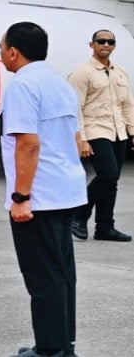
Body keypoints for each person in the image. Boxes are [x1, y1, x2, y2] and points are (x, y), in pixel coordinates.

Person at [0, 22, 86, 357]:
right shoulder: (59, 82)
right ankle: (63, 344)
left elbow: (28, 144)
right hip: (66, 189)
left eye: (1, 47)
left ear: (14, 52)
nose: (1, 53)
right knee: (62, 274)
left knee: (42, 277)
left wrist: (20, 198)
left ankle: (50, 350)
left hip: (40, 196)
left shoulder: (23, 85)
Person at [67, 29, 134, 242]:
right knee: (108, 174)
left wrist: (132, 131)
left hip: (118, 131)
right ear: (92, 45)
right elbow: (75, 107)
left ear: (114, 45)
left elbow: (127, 105)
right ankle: (79, 213)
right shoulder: (81, 73)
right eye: (101, 41)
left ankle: (105, 227)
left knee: (112, 181)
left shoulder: (120, 72)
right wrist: (81, 139)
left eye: (110, 41)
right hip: (95, 130)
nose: (106, 44)